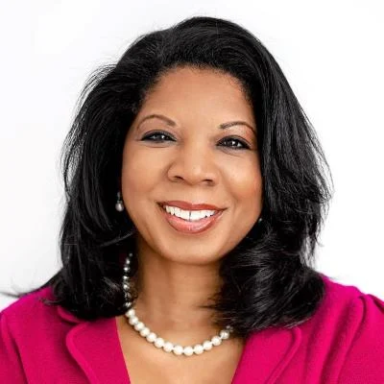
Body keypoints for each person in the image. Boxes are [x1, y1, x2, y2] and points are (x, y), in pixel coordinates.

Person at [0, 15, 383, 384]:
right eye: (160, 136)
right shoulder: (18, 345)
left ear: (272, 174)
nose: (193, 170)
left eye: (233, 142)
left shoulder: (357, 337)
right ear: (114, 162)